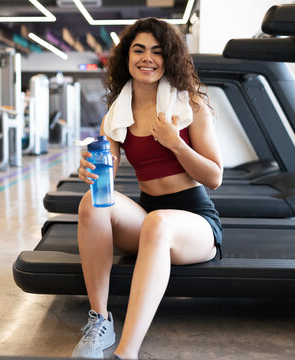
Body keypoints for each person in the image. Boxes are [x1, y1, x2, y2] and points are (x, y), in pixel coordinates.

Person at [73, 18, 223, 360]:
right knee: (92, 203)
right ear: (127, 57)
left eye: (157, 51)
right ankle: (100, 320)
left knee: (158, 224)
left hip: (194, 223)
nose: (147, 58)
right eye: (139, 50)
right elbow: (106, 178)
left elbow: (215, 177)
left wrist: (176, 145)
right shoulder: (117, 114)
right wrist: (90, 170)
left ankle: (126, 353)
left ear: (168, 58)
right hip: (149, 217)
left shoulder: (192, 105)